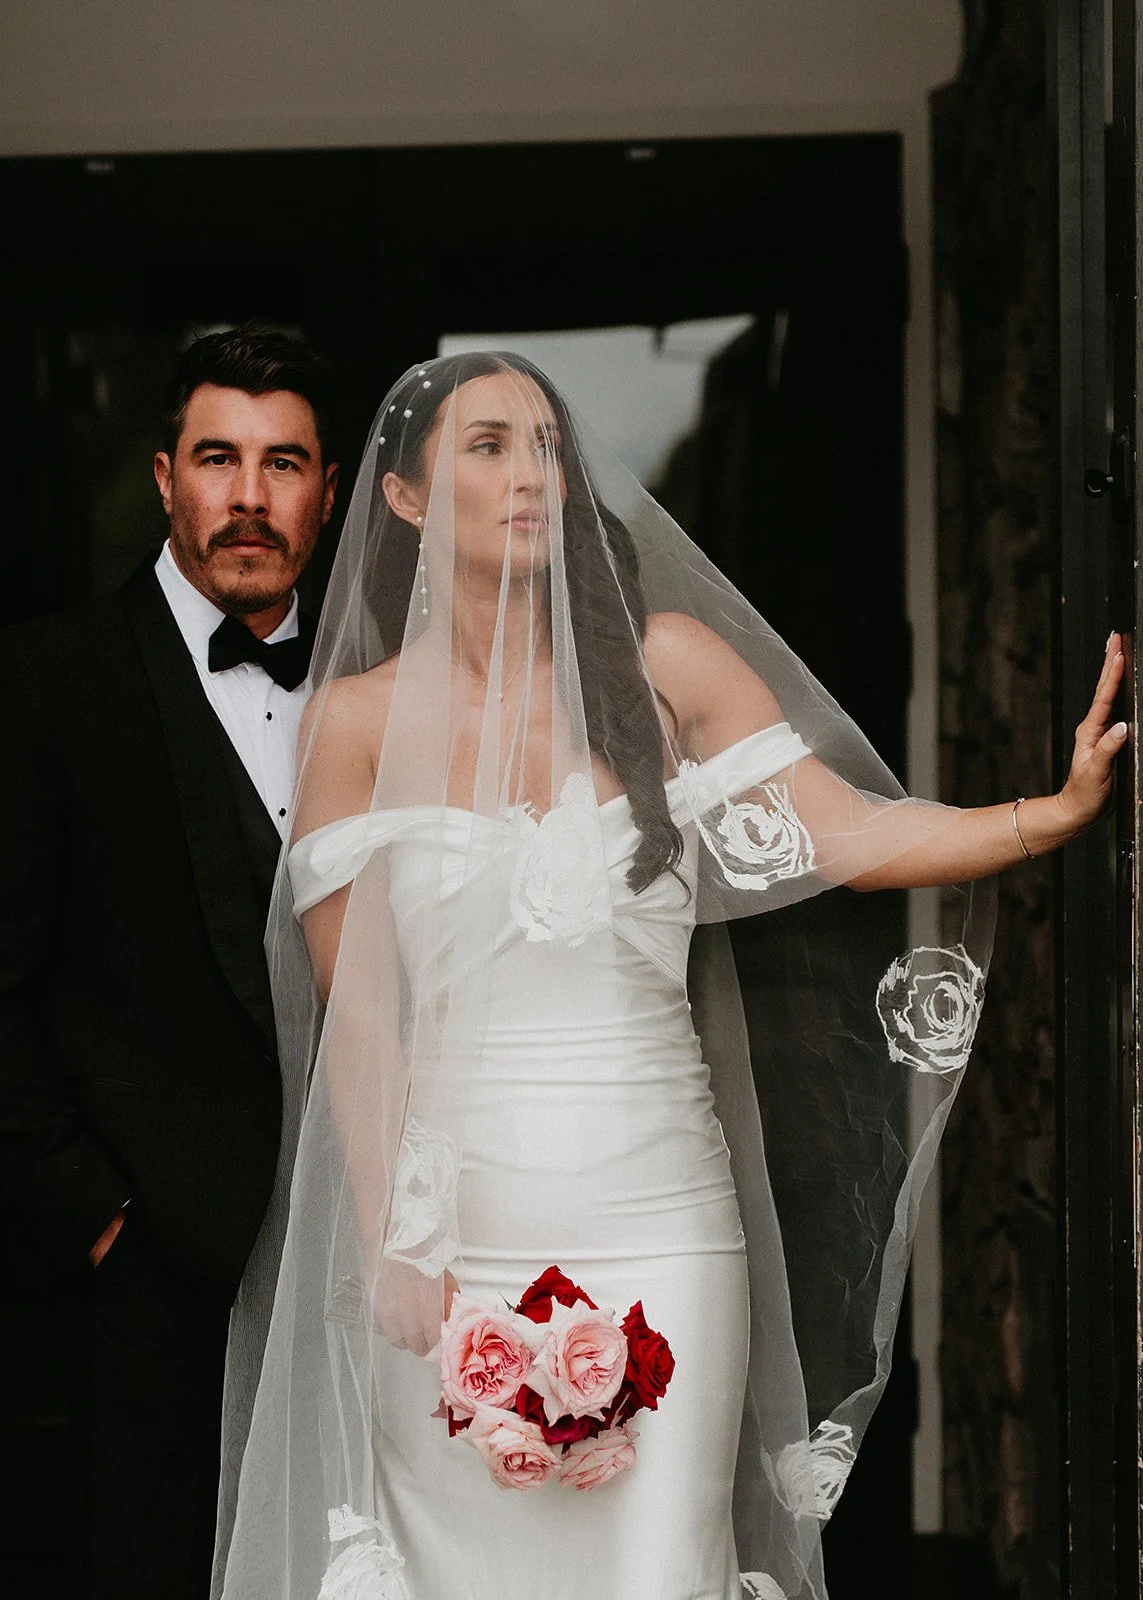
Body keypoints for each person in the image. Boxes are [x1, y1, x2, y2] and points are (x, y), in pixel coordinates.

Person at [215, 352, 1124, 1600]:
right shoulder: (359, 722)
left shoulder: (669, 666)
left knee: (663, 1571)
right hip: (460, 1231)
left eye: (546, 446)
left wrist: (1046, 814)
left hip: (666, 1226)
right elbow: (362, 1014)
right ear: (408, 497)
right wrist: (390, 1239)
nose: (529, 474)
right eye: (488, 445)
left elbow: (850, 835)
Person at [0, 324, 338, 1600]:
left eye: (283, 463)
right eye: (217, 458)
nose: (249, 496)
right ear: (163, 479)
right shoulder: (45, 682)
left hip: (367, 1272)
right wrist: (93, 1217)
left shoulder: (387, 687)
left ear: (328, 490)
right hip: (147, 1282)